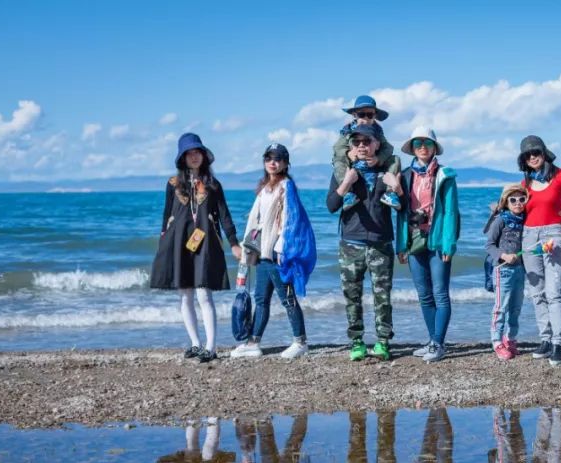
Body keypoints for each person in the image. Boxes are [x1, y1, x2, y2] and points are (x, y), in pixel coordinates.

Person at [150, 133, 242, 363]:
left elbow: (224, 215)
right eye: (189, 153)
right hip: (178, 243)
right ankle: (195, 343)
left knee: (204, 293)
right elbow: (166, 216)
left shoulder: (213, 184)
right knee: (185, 295)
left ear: (203, 155)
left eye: (197, 152)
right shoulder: (173, 184)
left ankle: (211, 348)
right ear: (182, 157)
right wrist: (164, 242)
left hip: (206, 243)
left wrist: (233, 242)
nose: (194, 156)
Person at [231, 143, 317, 360]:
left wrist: (282, 249)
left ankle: (300, 341)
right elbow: (255, 219)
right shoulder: (264, 188)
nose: (272, 162)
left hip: (278, 255)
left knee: (287, 298)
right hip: (262, 254)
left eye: (278, 159)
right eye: (269, 158)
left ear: (286, 163)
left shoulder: (286, 186)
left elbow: (290, 219)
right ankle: (253, 342)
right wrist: (246, 247)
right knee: (261, 298)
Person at [326, 122, 403, 361]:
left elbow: (405, 209)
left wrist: (398, 188)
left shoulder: (387, 172)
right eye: (357, 142)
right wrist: (347, 183)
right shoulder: (344, 172)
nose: (362, 146)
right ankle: (357, 342)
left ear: (376, 144)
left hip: (381, 243)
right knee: (352, 296)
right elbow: (331, 205)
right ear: (351, 145)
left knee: (383, 297)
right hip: (351, 244)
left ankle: (382, 342)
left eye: (367, 141)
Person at [518, 136, 561, 366]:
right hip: (529, 237)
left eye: (535, 152)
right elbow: (519, 211)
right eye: (527, 155)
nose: (532, 157)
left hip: (553, 236)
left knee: (554, 292)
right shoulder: (525, 182)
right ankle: (544, 339)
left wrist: (560, 226)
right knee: (536, 292)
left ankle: (557, 342)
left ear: (544, 153)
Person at [395, 128, 460, 363]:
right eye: (418, 143)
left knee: (440, 293)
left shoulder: (445, 175)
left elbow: (451, 212)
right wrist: (400, 244)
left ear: (434, 147)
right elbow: (400, 213)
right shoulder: (404, 175)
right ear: (412, 147)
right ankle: (433, 340)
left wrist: (448, 244)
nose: (423, 147)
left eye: (427, 143)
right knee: (424, 294)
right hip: (414, 239)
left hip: (437, 239)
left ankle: (438, 343)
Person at [331, 95, 403, 210]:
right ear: (354, 115)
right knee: (338, 160)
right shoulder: (347, 130)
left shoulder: (378, 131)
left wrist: (378, 159)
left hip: (374, 163)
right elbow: (337, 148)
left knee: (395, 159)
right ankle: (348, 194)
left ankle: (390, 193)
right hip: (353, 164)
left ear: (375, 116)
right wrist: (347, 154)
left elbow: (388, 148)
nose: (365, 118)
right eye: (361, 114)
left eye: (369, 115)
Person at [484, 184, 528, 360]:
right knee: (500, 307)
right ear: (506, 202)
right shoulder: (500, 220)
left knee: (516, 308)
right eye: (513, 200)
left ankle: (510, 339)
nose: (518, 203)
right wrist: (503, 256)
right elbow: (489, 245)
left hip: (520, 270)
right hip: (503, 271)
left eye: (521, 199)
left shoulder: (525, 220)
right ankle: (497, 341)